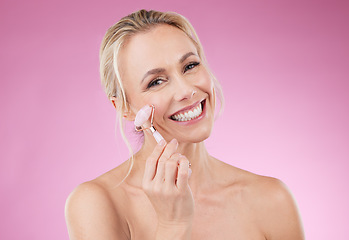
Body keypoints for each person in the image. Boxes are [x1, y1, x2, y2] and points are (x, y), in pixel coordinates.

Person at [65, 9, 305, 240]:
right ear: (125, 108)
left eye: (190, 66)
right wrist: (173, 225)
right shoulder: (97, 203)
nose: (186, 90)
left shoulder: (272, 200)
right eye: (156, 81)